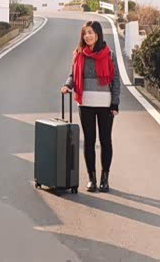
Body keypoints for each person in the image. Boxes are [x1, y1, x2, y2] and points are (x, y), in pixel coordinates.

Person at [60, 20, 120, 193]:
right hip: (85, 103)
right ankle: (91, 179)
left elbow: (116, 80)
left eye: (90, 32)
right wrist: (67, 86)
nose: (87, 36)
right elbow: (72, 75)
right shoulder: (79, 54)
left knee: (105, 140)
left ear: (98, 34)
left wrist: (115, 103)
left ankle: (104, 178)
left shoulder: (109, 54)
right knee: (89, 141)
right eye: (85, 33)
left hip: (105, 104)